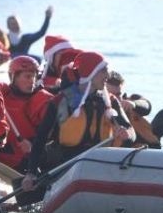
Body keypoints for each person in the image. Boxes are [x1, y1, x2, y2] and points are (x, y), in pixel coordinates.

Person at [21, 52, 135, 189]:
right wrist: (31, 173)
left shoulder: (110, 102)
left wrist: (126, 133)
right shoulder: (60, 102)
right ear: (90, 72)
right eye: (103, 71)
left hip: (102, 165)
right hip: (66, 167)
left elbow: (131, 131)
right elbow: (40, 139)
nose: (107, 76)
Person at [0, 56, 54, 171]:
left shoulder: (42, 100)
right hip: (1, 158)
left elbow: (52, 135)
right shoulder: (3, 93)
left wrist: (33, 144)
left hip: (28, 161)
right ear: (13, 77)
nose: (32, 81)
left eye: (34, 76)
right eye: (27, 77)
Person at [106, 70, 159, 148]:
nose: (115, 99)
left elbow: (147, 106)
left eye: (118, 94)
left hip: (150, 150)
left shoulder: (132, 100)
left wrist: (134, 104)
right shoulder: (100, 111)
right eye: (111, 95)